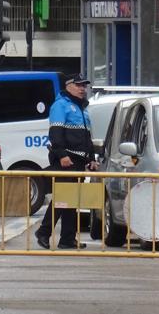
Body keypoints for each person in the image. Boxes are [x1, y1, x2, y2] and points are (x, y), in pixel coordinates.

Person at [35, 73, 99, 249]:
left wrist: (91, 158)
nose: (82, 89)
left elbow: (87, 137)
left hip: (78, 161)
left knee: (71, 200)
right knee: (63, 199)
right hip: (66, 160)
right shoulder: (60, 105)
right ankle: (43, 232)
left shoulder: (82, 108)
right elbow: (55, 134)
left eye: (84, 86)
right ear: (68, 86)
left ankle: (67, 239)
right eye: (78, 85)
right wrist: (62, 155)